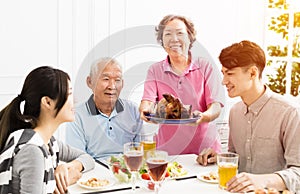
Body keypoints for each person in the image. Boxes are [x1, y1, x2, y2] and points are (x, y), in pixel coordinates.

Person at [197, 40, 300, 193]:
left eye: (230, 74)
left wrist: (260, 180)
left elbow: (298, 173)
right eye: (223, 73)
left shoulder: (289, 113)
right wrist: (219, 156)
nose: (224, 81)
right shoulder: (235, 112)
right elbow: (237, 158)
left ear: (252, 73)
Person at [139, 14, 225, 155]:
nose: (174, 39)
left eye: (180, 33)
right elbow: (146, 102)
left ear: (190, 37)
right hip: (167, 152)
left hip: (205, 150)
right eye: (168, 34)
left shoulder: (205, 66)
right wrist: (145, 112)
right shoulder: (155, 70)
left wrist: (204, 116)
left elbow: (215, 105)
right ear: (162, 40)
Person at [0, 66, 94, 194]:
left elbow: (88, 159)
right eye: (69, 93)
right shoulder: (32, 150)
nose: (75, 100)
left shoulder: (49, 143)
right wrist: (62, 182)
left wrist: (67, 168)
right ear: (48, 102)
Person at [66, 57, 143, 160]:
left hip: (128, 169)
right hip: (93, 171)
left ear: (123, 84)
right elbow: (77, 159)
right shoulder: (76, 115)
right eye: (106, 79)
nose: (112, 86)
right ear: (89, 82)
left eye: (117, 80)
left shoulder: (133, 110)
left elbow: (142, 151)